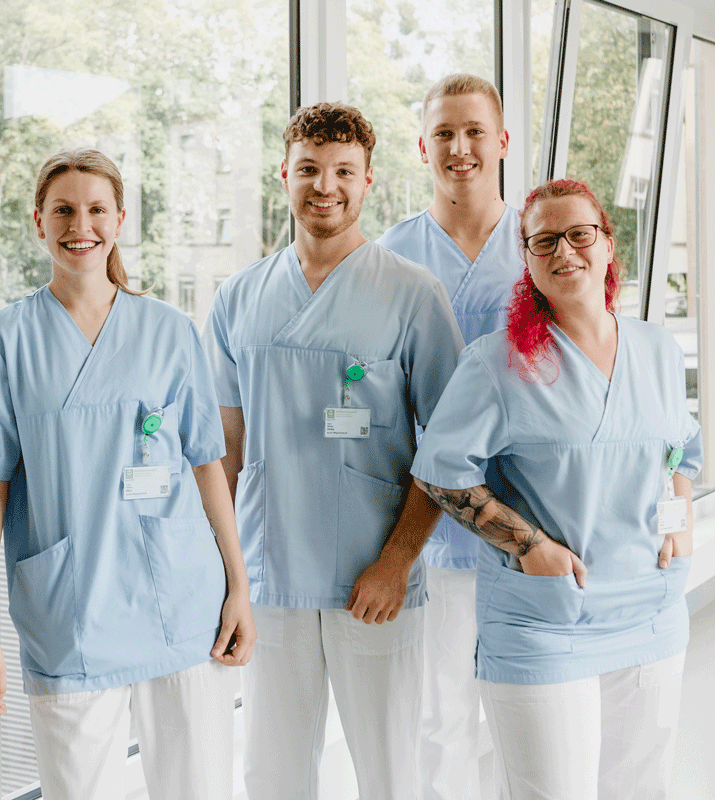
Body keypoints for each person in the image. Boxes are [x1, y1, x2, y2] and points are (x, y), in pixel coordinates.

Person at [0, 148, 255, 800]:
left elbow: (206, 466)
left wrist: (239, 588)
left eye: (95, 209)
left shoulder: (168, 330)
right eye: (63, 209)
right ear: (38, 222)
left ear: (119, 220)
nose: (80, 223)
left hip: (184, 610)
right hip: (71, 616)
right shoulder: (5, 339)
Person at [203, 102, 464, 800]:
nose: (327, 186)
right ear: (283, 176)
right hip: (268, 571)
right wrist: (228, 575)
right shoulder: (238, 297)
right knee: (270, 772)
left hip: (373, 581)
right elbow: (224, 448)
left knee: (391, 772)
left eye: (344, 171)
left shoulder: (414, 295)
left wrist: (397, 560)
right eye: (310, 169)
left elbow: (449, 447)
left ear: (369, 181)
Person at [412, 178, 702, 800]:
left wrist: (678, 513)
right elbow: (440, 472)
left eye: (578, 234)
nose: (564, 250)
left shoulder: (655, 348)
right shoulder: (498, 362)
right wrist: (528, 546)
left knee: (639, 788)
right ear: (528, 260)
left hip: (649, 609)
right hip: (546, 620)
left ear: (606, 244)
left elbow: (682, 445)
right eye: (544, 240)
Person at [378, 73, 522, 800]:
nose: (460, 148)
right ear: (423, 146)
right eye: (444, 133)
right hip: (431, 525)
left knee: (524, 712)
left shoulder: (541, 245)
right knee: (439, 719)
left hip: (528, 514)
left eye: (474, 132)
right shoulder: (391, 258)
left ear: (502, 141)